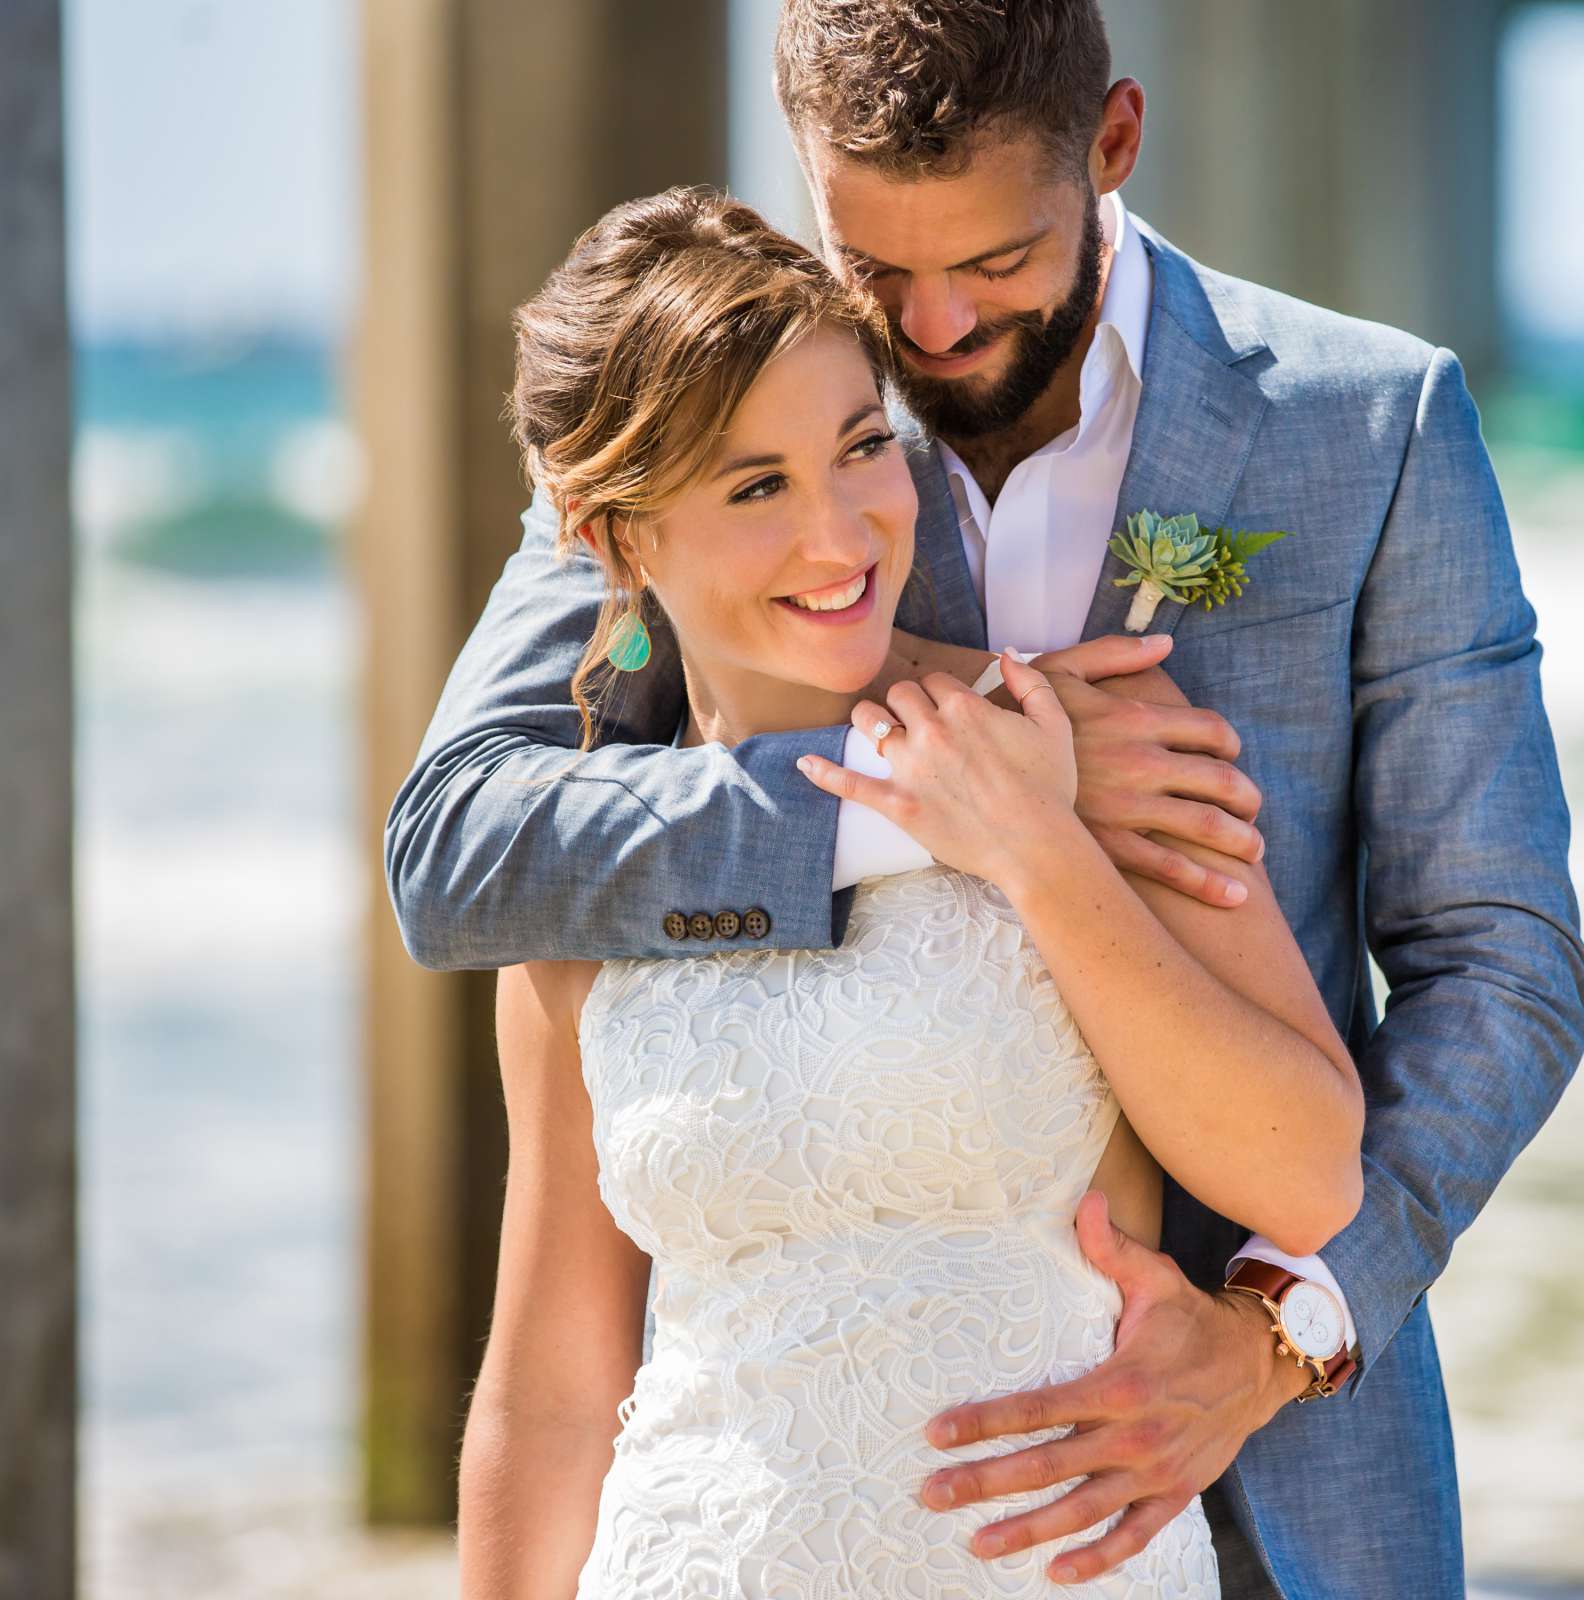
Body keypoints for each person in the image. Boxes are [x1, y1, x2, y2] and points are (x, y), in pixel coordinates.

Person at [388, 3, 1584, 1595]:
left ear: (1111, 147)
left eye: (997, 264)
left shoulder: (1368, 427)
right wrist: (960, 762)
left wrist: (1280, 1332)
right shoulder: (727, 412)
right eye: (878, 267)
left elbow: (1503, 969)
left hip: (1271, 1476)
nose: (934, 327)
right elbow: (463, 844)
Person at [463, 187, 1367, 1595]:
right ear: (616, 541)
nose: (844, 534)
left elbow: (1305, 1171)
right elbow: (555, 1389)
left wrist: (1038, 847)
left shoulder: (1092, 771)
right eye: (756, 486)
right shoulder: (590, 883)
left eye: (862, 447)